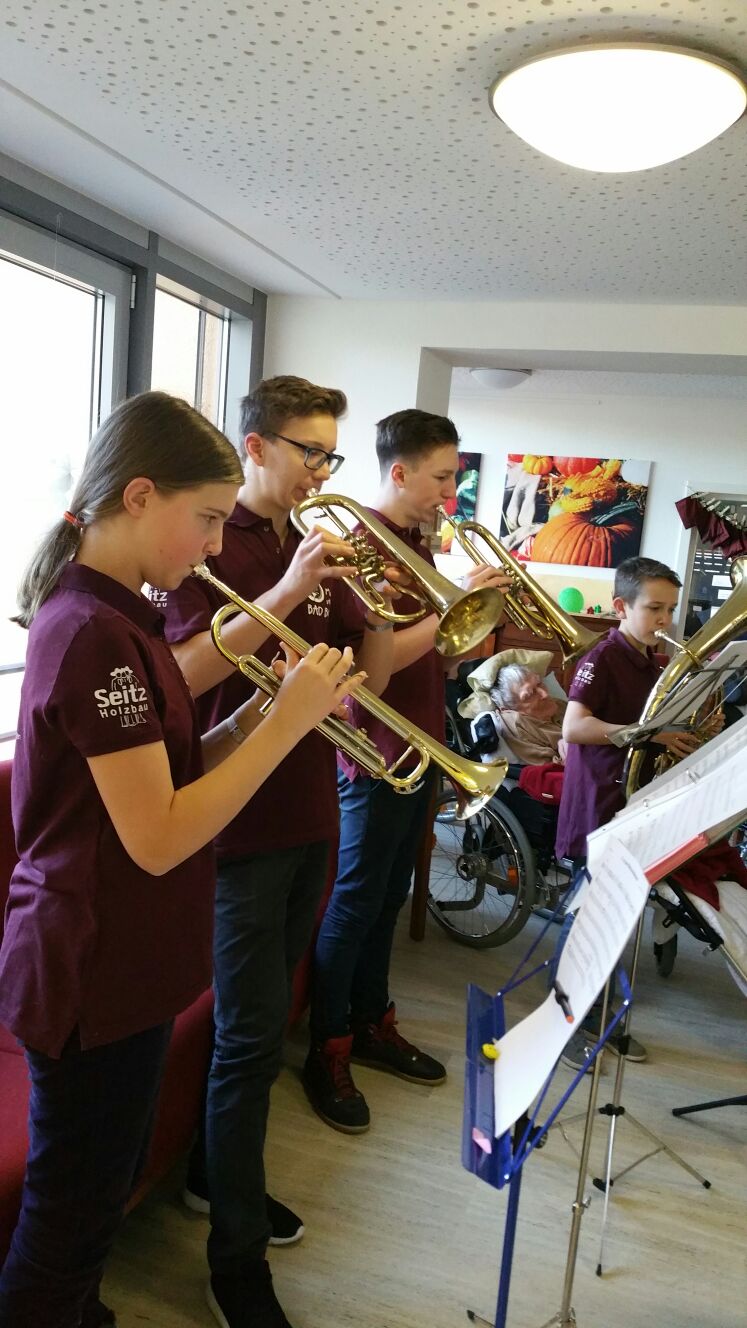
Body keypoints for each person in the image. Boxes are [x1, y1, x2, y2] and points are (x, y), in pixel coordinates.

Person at [0, 392, 364, 1328]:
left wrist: (258, 715)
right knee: (69, 1216)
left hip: (125, 962)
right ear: (138, 496)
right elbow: (158, 833)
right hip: (89, 969)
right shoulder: (91, 633)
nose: (211, 546)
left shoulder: (126, 615)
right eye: (204, 518)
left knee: (100, 1194)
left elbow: (170, 766)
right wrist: (282, 728)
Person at [159, 375, 397, 1328]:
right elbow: (183, 678)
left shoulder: (318, 543)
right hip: (238, 830)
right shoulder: (210, 544)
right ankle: (236, 1260)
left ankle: (214, 1181)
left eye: (331, 454)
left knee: (255, 1036)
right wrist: (291, 587)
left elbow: (365, 686)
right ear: (255, 446)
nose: (322, 471)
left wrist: (376, 612)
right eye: (310, 451)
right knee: (250, 1039)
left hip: (310, 814)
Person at [303, 408, 510, 1133]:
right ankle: (326, 1046)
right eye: (442, 478)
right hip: (374, 753)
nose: (450, 493)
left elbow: (434, 659)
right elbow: (370, 669)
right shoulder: (358, 544)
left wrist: (466, 630)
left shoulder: (416, 544)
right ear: (399, 472)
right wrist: (454, 608)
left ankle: (370, 1023)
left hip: (420, 744)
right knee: (356, 900)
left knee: (391, 895)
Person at [555, 555, 701, 1070]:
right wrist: (648, 734)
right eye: (654, 608)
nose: (665, 620)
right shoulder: (603, 657)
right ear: (621, 607)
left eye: (671, 610)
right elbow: (573, 728)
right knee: (587, 923)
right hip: (597, 804)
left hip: (631, 806)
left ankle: (602, 1018)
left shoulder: (654, 663)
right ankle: (566, 1027)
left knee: (617, 923)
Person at [457, 649, 567, 767]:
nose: (544, 694)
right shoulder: (516, 724)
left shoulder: (558, 704)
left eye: (539, 683)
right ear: (508, 709)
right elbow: (555, 769)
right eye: (529, 695)